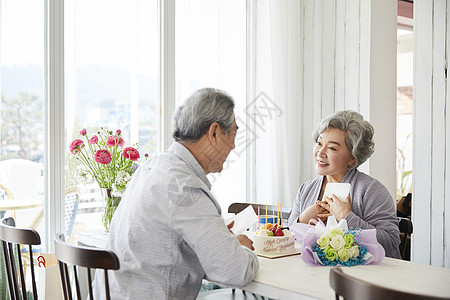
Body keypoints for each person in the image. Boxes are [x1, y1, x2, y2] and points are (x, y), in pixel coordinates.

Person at [93, 88, 259, 299]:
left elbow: (168, 245)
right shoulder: (185, 187)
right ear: (214, 132)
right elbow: (237, 271)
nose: (234, 145)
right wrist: (241, 248)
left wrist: (217, 240)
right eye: (234, 133)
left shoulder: (150, 168)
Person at [287, 111, 401, 258]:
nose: (320, 153)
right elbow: (287, 240)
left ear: (352, 158)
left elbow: (390, 244)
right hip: (314, 274)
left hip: (363, 277)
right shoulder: (306, 189)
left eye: (332, 148)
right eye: (319, 143)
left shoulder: (372, 190)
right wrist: (302, 220)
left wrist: (346, 217)